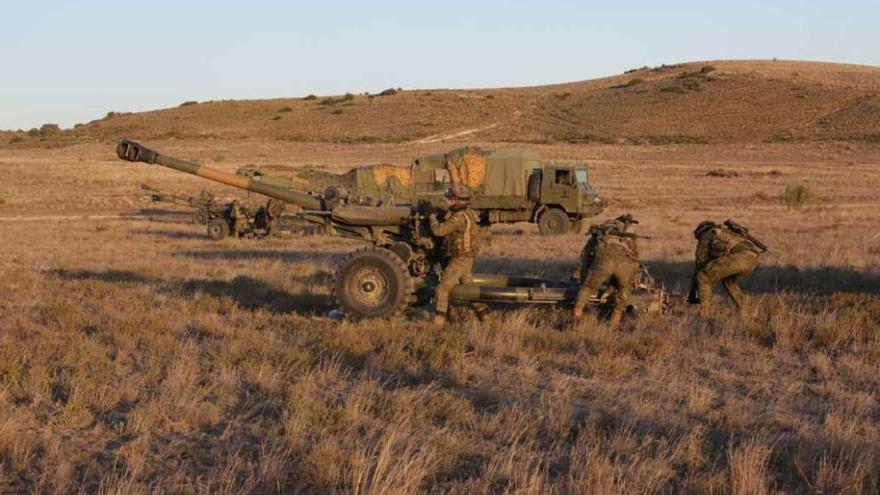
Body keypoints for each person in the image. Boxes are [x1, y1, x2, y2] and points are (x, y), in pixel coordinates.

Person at [572, 214, 641, 328]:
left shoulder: (602, 229)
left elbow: (586, 256)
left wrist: (582, 275)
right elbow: (635, 257)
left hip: (604, 260)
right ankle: (615, 321)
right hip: (624, 262)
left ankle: (577, 315)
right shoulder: (630, 233)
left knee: (588, 288)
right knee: (624, 290)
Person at [429, 185, 481, 327]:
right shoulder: (467, 213)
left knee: (442, 289)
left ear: (458, 201)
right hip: (466, 258)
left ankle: (438, 324)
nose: (448, 201)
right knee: (470, 290)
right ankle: (486, 318)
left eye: (451, 199)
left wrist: (432, 217)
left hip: (460, 259)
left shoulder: (458, 217)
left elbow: (438, 231)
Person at [690, 220, 763, 316]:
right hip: (753, 258)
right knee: (728, 281)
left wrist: (693, 293)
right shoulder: (726, 232)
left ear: (700, 232)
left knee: (703, 276)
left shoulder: (707, 234)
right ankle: (744, 312)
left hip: (740, 257)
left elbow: (700, 264)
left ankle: (705, 314)